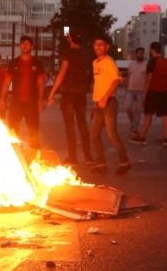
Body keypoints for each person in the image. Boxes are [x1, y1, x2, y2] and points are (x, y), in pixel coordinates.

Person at [46, 31, 94, 166]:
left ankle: (73, 158)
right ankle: (88, 156)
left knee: (70, 126)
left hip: (68, 93)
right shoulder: (86, 54)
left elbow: (62, 73)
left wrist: (52, 93)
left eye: (68, 37)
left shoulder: (68, 53)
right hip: (81, 93)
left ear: (70, 39)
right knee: (82, 124)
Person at [89, 36, 130, 174]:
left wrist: (105, 98)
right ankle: (101, 165)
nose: (98, 47)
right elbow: (99, 84)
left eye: (101, 45)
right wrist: (96, 104)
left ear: (107, 47)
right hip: (98, 105)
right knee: (94, 135)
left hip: (109, 103)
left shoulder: (109, 61)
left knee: (112, 136)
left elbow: (116, 81)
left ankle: (124, 163)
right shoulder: (95, 62)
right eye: (96, 45)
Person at [0, 36, 46, 150]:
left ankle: (36, 160)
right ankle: (14, 156)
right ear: (19, 46)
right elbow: (7, 82)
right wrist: (2, 99)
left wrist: (40, 100)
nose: (24, 46)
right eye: (22, 44)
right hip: (16, 104)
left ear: (31, 46)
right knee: (12, 132)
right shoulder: (14, 62)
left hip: (32, 104)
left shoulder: (37, 63)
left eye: (27, 44)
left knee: (33, 133)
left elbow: (40, 83)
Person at [133, 41, 167, 146]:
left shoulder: (152, 61)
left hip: (153, 91)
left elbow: (149, 78)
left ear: (152, 50)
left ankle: (142, 136)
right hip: (165, 92)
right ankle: (166, 138)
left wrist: (144, 94)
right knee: (165, 115)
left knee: (148, 115)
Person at [125, 47, 146, 140]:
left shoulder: (146, 65)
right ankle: (134, 123)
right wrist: (126, 89)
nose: (141, 55)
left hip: (141, 91)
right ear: (136, 54)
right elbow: (128, 76)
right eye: (139, 53)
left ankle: (134, 129)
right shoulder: (131, 64)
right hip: (130, 90)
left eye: (142, 53)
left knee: (138, 111)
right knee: (128, 107)